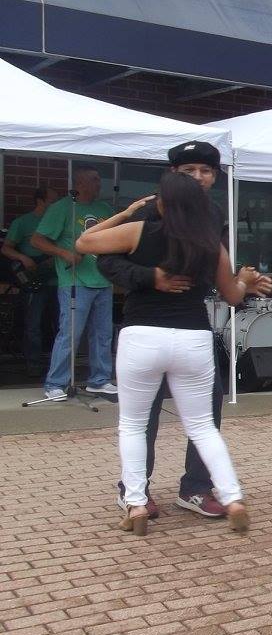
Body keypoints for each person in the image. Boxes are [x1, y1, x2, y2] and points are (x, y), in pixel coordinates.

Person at [76, 172, 269, 535]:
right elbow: (232, 296)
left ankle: (135, 503)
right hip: (192, 339)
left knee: (133, 424)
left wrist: (128, 212)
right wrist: (243, 279)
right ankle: (233, 498)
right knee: (202, 428)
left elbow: (85, 242)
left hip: (143, 336)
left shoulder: (140, 231)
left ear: (160, 203)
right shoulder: (212, 244)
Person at [98, 141, 236, 520]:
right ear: (172, 174)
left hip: (192, 327)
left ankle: (195, 488)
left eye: (205, 171)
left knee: (207, 411)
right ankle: (134, 491)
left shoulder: (213, 213)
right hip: (145, 326)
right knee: (144, 415)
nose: (198, 177)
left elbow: (218, 265)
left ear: (215, 176)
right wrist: (148, 278)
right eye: (188, 170)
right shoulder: (147, 209)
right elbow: (105, 260)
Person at [30, 166, 116, 400]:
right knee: (70, 334)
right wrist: (62, 252)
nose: (99, 184)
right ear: (80, 183)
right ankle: (55, 383)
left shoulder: (104, 209)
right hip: (74, 280)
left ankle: (99, 380)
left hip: (103, 280)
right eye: (95, 179)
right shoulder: (62, 208)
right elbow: (37, 240)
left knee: (103, 334)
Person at [2, 187, 60, 376]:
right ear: (40, 201)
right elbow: (6, 249)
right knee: (32, 324)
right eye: (52, 201)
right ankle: (33, 363)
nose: (55, 205)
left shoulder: (59, 221)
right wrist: (23, 258)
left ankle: (58, 364)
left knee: (61, 324)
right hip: (33, 278)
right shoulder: (23, 222)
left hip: (58, 280)